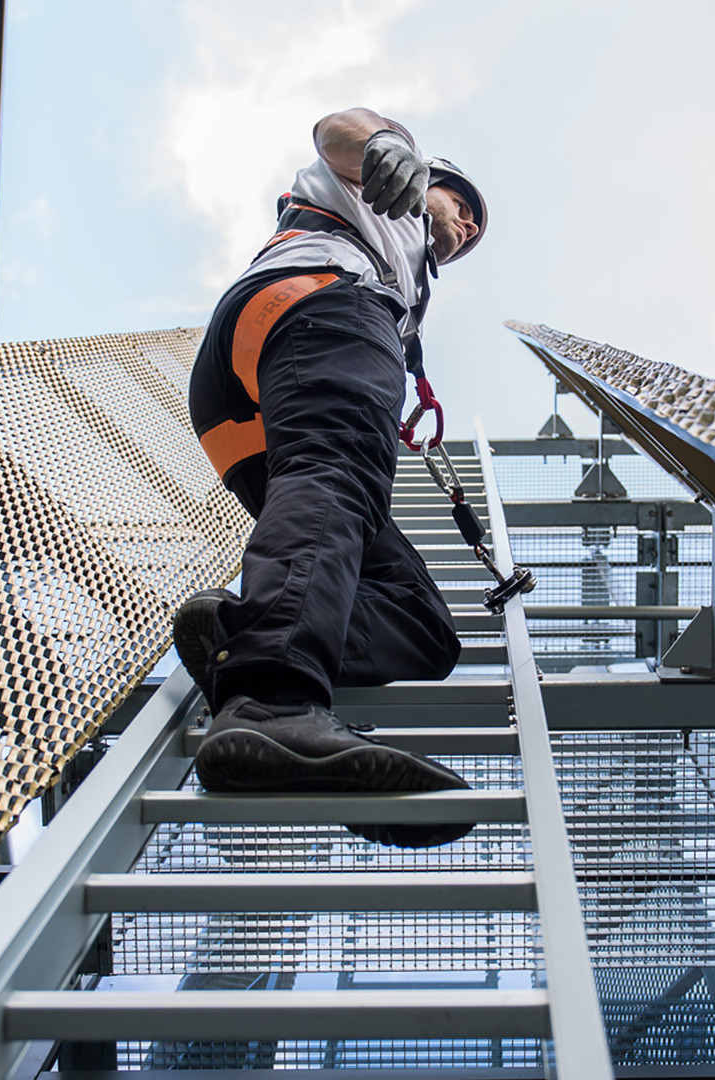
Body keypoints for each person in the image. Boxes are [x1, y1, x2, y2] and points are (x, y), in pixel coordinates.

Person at [176, 108, 488, 848]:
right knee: (336, 480)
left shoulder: (401, 263)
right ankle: (273, 703)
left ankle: (240, 633)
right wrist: (388, 148)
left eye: (475, 229)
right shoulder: (385, 195)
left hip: (245, 385)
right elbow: (341, 130)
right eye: (462, 206)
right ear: (430, 182)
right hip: (312, 309)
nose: (466, 227)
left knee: (420, 625)